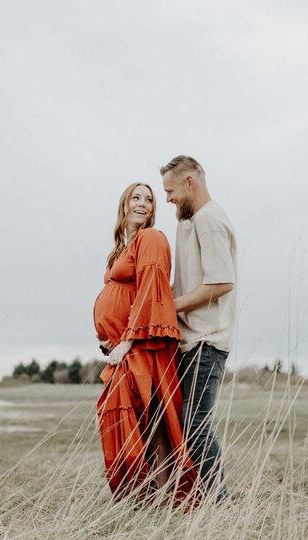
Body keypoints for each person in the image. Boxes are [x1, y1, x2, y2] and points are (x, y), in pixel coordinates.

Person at [93, 182, 198, 503]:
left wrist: (127, 341)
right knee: (140, 419)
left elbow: (152, 290)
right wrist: (110, 338)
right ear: (124, 205)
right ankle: (145, 495)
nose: (142, 203)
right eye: (136, 198)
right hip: (123, 344)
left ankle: (168, 496)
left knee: (155, 419)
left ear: (153, 210)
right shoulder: (121, 249)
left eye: (149, 200)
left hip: (143, 343)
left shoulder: (150, 238)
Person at [161, 155, 237, 504]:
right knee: (184, 424)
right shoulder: (190, 222)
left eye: (171, 191)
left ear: (190, 182)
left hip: (207, 342)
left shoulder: (209, 220)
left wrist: (167, 308)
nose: (168, 199)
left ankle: (218, 503)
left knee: (195, 425)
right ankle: (193, 497)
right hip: (189, 341)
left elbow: (222, 283)